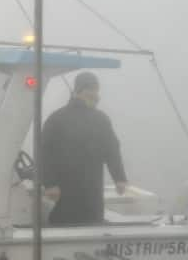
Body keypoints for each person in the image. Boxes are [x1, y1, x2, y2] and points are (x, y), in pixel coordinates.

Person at [40, 71, 128, 225]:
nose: (95, 94)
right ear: (78, 91)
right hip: (64, 187)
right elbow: (44, 152)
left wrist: (119, 178)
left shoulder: (101, 119)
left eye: (96, 90)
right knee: (64, 223)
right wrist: (49, 184)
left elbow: (112, 149)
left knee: (93, 221)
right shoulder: (57, 118)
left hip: (93, 188)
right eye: (91, 90)